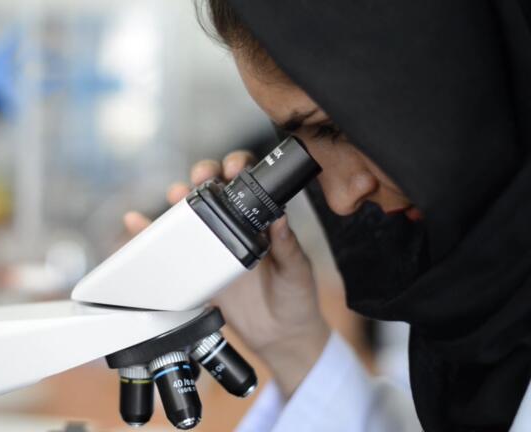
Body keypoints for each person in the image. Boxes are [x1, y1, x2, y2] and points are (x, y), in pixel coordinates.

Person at [126, 1, 531, 430]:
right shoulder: (479, 305)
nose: (341, 200)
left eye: (336, 128)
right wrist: (293, 342)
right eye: (297, 144)